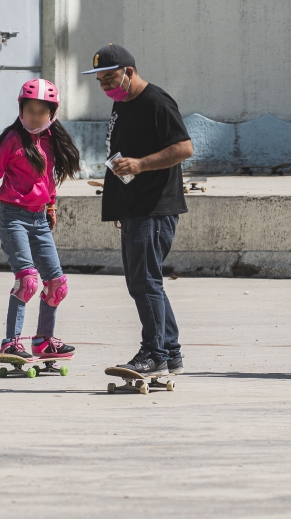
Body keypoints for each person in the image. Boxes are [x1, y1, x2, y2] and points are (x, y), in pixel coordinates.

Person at [82, 44, 194, 376]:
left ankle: (154, 354)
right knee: (144, 282)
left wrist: (142, 164)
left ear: (129, 72)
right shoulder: (123, 103)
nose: (105, 86)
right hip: (135, 207)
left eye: (110, 78)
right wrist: (121, 205)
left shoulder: (156, 101)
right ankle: (170, 352)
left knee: (145, 281)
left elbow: (184, 147)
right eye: (100, 81)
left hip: (155, 207)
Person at [0, 79, 81, 360]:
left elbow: (48, 179)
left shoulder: (49, 142)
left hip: (40, 220)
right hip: (14, 218)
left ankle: (44, 341)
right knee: (28, 281)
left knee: (57, 285)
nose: (35, 116)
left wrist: (52, 206)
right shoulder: (12, 140)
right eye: (30, 109)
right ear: (21, 110)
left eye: (41, 111)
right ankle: (11, 342)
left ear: (51, 113)